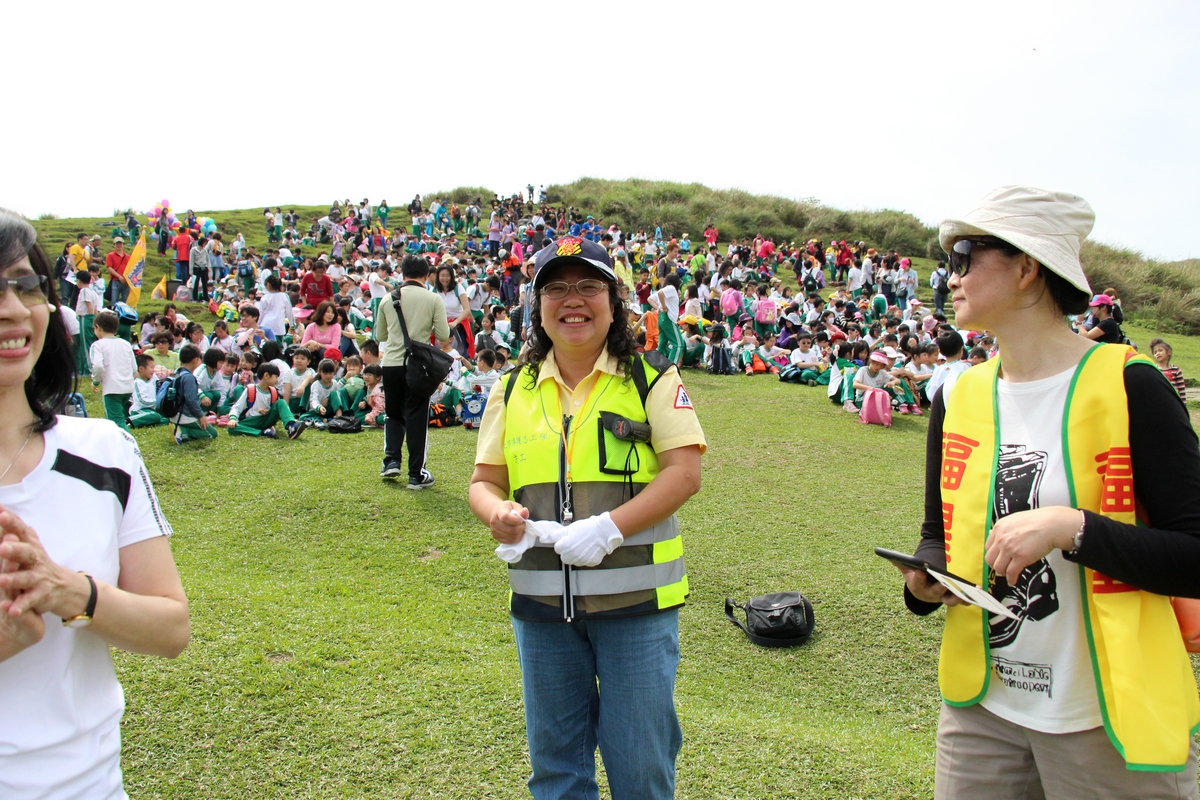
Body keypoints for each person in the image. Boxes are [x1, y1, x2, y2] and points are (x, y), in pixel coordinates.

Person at [898, 186, 1200, 798]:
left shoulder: (1133, 386)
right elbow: (939, 535)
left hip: (1105, 717)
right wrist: (926, 580)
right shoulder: (958, 396)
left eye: (963, 257)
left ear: (1027, 268)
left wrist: (1073, 529)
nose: (947, 277)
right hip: (981, 710)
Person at [468, 236, 705, 800]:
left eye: (588, 285)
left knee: (640, 765)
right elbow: (484, 481)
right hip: (543, 609)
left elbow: (684, 472)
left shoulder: (652, 376)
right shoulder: (512, 387)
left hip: (637, 610)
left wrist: (610, 529)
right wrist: (497, 512)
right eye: (556, 287)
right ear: (537, 305)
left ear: (614, 300)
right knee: (556, 770)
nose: (572, 300)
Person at [0, 208, 190, 797]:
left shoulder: (105, 451)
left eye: (24, 285)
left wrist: (72, 593)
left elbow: (171, 627)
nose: (10, 307)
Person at [373, 254, 450, 487]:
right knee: (417, 418)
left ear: (402, 273)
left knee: (393, 414)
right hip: (418, 367)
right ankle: (416, 474)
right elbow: (444, 336)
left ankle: (391, 461)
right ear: (426, 275)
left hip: (392, 364)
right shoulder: (432, 298)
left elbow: (380, 336)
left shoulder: (388, 299)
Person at [88, 310, 136, 430]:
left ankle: (130, 447)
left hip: (112, 389)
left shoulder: (98, 345)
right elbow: (134, 367)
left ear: (97, 327)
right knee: (118, 417)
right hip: (128, 388)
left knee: (117, 423)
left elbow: (98, 366)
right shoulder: (125, 343)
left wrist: (95, 381)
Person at [105, 237, 130, 307]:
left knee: (125, 301)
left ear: (123, 244)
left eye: (120, 243)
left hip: (126, 281)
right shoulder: (110, 255)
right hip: (115, 281)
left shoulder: (128, 257)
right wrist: (119, 276)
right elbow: (109, 267)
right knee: (114, 300)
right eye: (117, 244)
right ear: (114, 245)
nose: (119, 245)